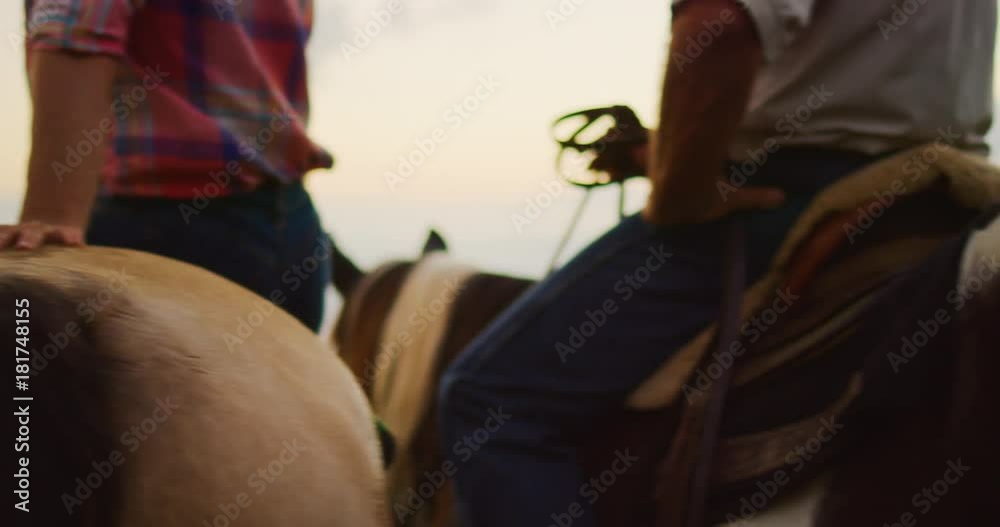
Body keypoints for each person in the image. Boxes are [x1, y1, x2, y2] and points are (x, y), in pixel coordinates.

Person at [438, 1, 996, 526]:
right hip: (940, 196)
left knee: (490, 402)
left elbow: (721, 22)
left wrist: (680, 195)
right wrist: (663, 147)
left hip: (790, 194)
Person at [0, 0, 334, 331]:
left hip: (162, 227)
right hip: (293, 228)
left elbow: (77, 28)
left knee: (24, 354)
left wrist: (51, 216)